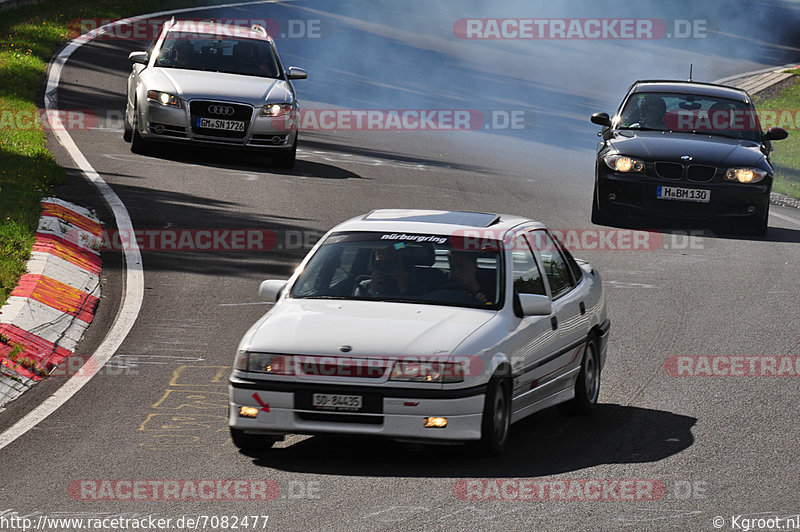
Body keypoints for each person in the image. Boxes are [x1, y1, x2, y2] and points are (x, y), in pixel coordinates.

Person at [354, 247, 418, 297]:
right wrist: (372, 290)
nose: (384, 258)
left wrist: (403, 287)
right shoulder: (364, 286)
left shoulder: (413, 284)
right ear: (374, 261)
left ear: (399, 259)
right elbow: (356, 306)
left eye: (389, 254)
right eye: (380, 254)